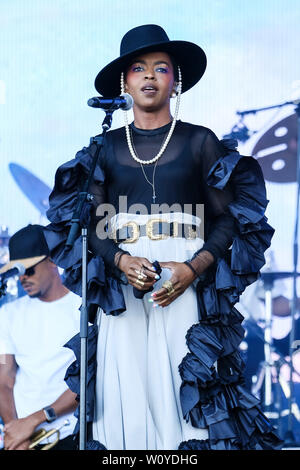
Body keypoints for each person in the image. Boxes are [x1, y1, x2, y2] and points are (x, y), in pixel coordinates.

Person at [44, 24, 283, 450]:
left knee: (183, 389)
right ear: (125, 82)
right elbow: (89, 221)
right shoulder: (104, 147)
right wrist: (119, 261)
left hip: (183, 279)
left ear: (176, 81)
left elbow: (230, 220)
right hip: (125, 285)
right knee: (125, 393)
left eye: (161, 68)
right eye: (138, 68)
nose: (150, 76)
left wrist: (192, 268)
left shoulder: (199, 141)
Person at [0, 224, 81, 450]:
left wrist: (35, 420)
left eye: (29, 269)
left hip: (70, 435)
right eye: (17, 271)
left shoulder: (84, 309)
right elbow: (4, 379)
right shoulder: (8, 314)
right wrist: (15, 430)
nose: (23, 277)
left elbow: (88, 380)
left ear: (53, 260)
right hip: (22, 440)